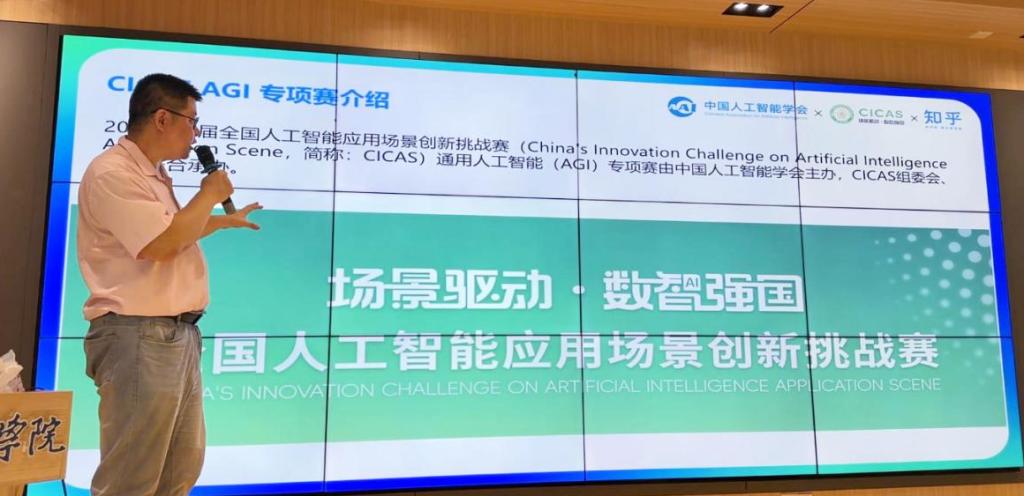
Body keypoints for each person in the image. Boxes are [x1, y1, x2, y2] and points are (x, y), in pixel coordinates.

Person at [77, 73, 262, 496]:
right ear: (162, 118)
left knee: (179, 471)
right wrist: (208, 194)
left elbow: (173, 231)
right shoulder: (113, 172)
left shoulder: (152, 174)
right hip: (139, 335)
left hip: (175, 335)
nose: (196, 134)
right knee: (133, 478)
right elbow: (160, 244)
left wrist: (219, 221)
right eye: (192, 121)